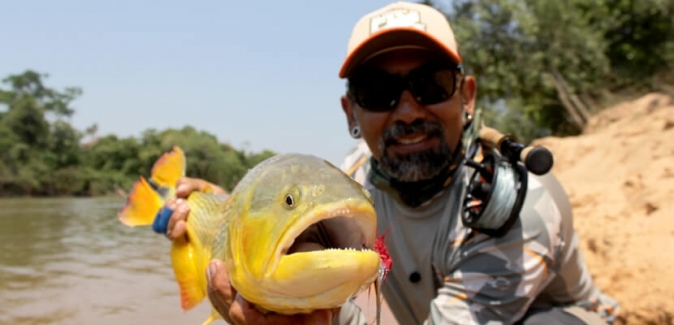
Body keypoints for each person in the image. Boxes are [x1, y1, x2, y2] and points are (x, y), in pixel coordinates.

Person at [155, 2, 620, 324]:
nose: (408, 110)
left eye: (431, 84)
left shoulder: (520, 209)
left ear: (468, 97)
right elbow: (290, 218)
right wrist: (227, 215)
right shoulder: (349, 186)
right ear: (351, 112)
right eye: (379, 92)